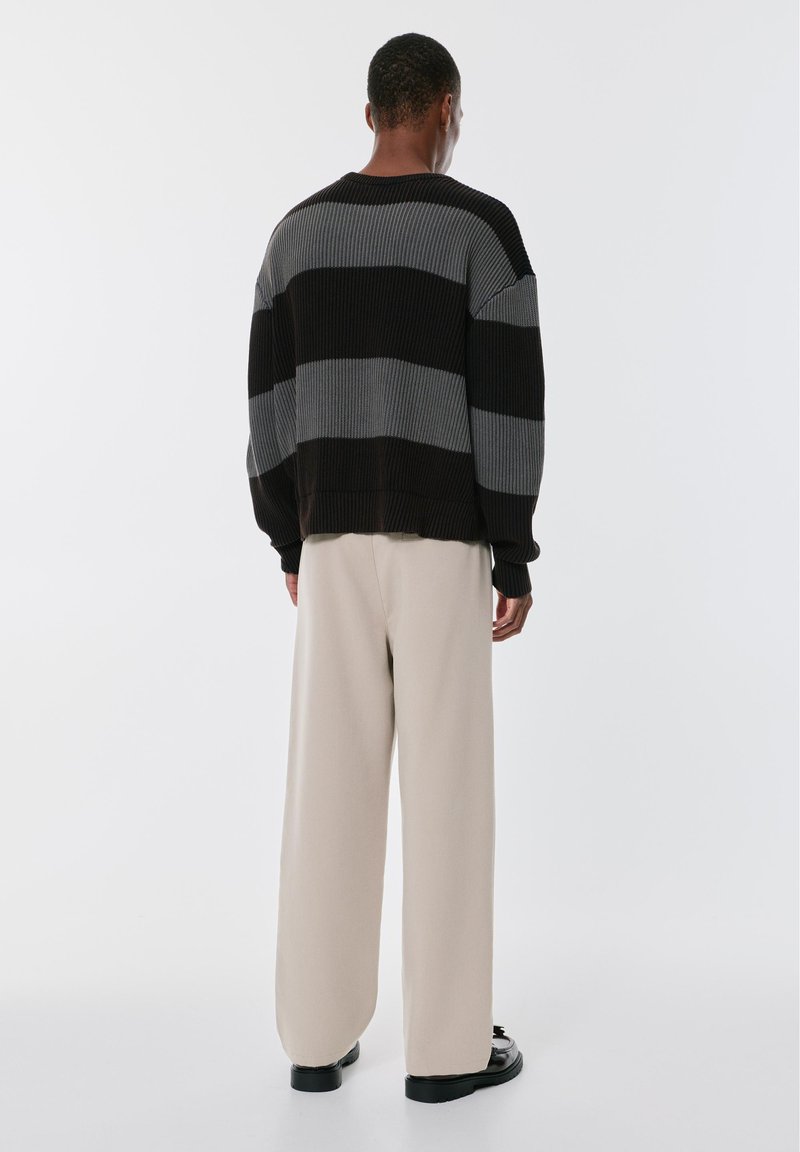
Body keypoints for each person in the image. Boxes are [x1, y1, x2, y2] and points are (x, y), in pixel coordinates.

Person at [246, 31, 545, 1104]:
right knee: (446, 792)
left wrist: (290, 537)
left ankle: (314, 1037)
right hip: (443, 542)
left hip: (332, 545)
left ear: (370, 111)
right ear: (445, 109)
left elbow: (268, 407)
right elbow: (507, 405)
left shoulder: (296, 236)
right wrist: (512, 550)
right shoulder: (479, 231)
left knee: (327, 788)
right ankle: (447, 1054)